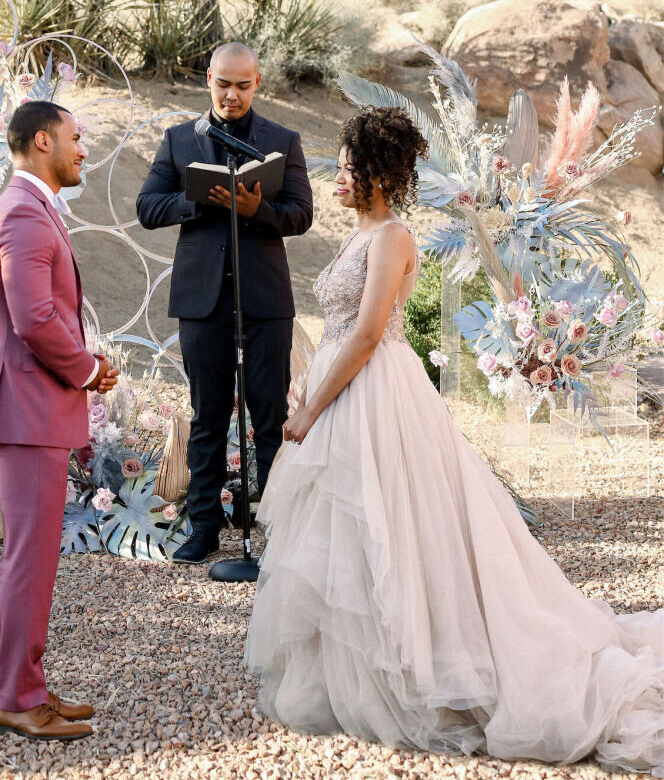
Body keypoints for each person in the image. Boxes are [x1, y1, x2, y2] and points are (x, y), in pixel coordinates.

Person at [245, 106, 664, 775]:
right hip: (340, 387)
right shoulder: (356, 237)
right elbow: (336, 332)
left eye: (351, 169)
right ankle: (351, 667)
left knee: (397, 523)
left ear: (380, 176)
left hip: (378, 396)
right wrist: (308, 385)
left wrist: (311, 409)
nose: (340, 179)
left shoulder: (391, 238)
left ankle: (420, 661)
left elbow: (367, 331)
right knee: (347, 528)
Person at [0, 100, 119, 741]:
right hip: (28, 406)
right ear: (41, 142)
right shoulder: (26, 215)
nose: (83, 150)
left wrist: (86, 366)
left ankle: (27, 685)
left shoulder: (30, 210)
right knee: (29, 560)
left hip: (33, 405)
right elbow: (33, 320)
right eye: (75, 138)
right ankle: (17, 699)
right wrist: (86, 371)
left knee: (35, 557)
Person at [136, 42, 313, 564]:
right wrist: (198, 199)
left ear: (257, 84)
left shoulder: (282, 140)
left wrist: (258, 208)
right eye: (222, 84)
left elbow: (301, 214)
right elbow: (148, 207)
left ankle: (279, 527)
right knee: (207, 415)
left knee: (270, 415)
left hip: (263, 300)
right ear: (207, 79)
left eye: (242, 86)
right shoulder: (176, 140)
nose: (231, 95)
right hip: (203, 299)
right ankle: (205, 526)